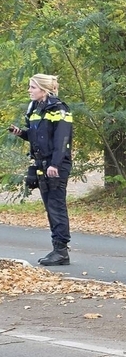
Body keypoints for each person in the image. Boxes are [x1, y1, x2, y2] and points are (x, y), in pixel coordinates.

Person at [7, 73, 74, 266]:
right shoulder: (36, 110)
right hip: (41, 164)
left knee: (56, 206)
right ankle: (57, 249)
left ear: (44, 89)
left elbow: (62, 140)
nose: (29, 90)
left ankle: (61, 251)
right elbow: (38, 137)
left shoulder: (59, 109)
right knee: (50, 206)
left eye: (32, 87)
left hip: (55, 166)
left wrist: (55, 164)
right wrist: (21, 133)